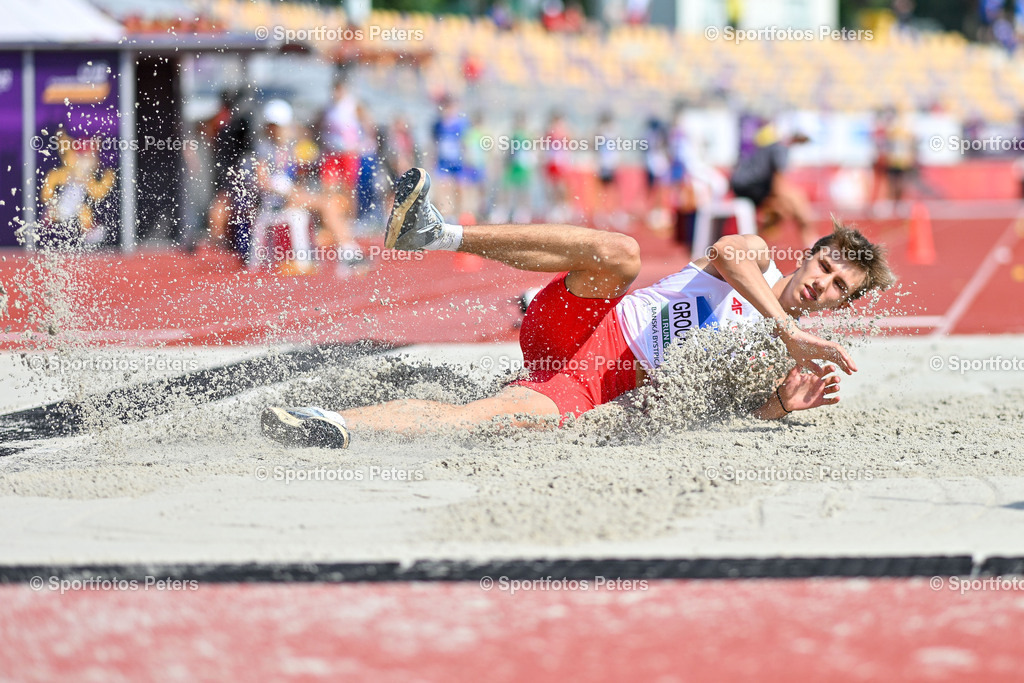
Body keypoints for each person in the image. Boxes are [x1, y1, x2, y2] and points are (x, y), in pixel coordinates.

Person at [261, 168, 896, 449]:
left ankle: (328, 421)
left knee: (486, 416)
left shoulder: (783, 359)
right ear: (809, 254)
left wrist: (779, 405)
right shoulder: (758, 258)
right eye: (825, 266)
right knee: (621, 252)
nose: (823, 283)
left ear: (842, 303)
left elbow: (723, 412)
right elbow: (730, 254)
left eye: (838, 286)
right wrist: (786, 330)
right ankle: (437, 233)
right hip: (587, 322)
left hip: (595, 382)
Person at [729, 124, 815, 247]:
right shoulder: (780, 148)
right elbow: (778, 185)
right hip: (752, 188)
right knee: (792, 204)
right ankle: (810, 241)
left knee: (783, 208)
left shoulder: (767, 148)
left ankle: (756, 241)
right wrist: (799, 209)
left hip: (743, 188)